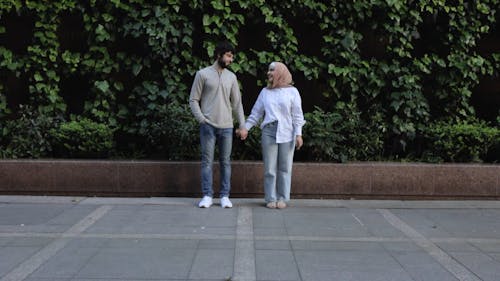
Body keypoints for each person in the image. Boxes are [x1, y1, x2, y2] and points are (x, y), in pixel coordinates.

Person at [189, 41, 248, 208]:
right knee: (207, 161)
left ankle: (224, 196)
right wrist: (201, 119)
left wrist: (242, 125)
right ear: (219, 55)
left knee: (225, 162)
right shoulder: (203, 74)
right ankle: (207, 195)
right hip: (208, 125)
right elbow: (193, 99)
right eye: (228, 56)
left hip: (227, 127)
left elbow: (237, 104)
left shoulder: (232, 77)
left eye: (232, 56)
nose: (231, 59)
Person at [239, 62, 305, 209]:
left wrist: (298, 134)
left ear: (281, 72)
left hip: (287, 132)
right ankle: (270, 198)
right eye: (268, 70)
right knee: (269, 168)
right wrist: (246, 128)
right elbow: (256, 113)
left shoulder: (293, 92)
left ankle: (282, 198)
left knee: (285, 167)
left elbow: (297, 115)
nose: (269, 73)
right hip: (268, 131)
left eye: (272, 70)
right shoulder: (265, 92)